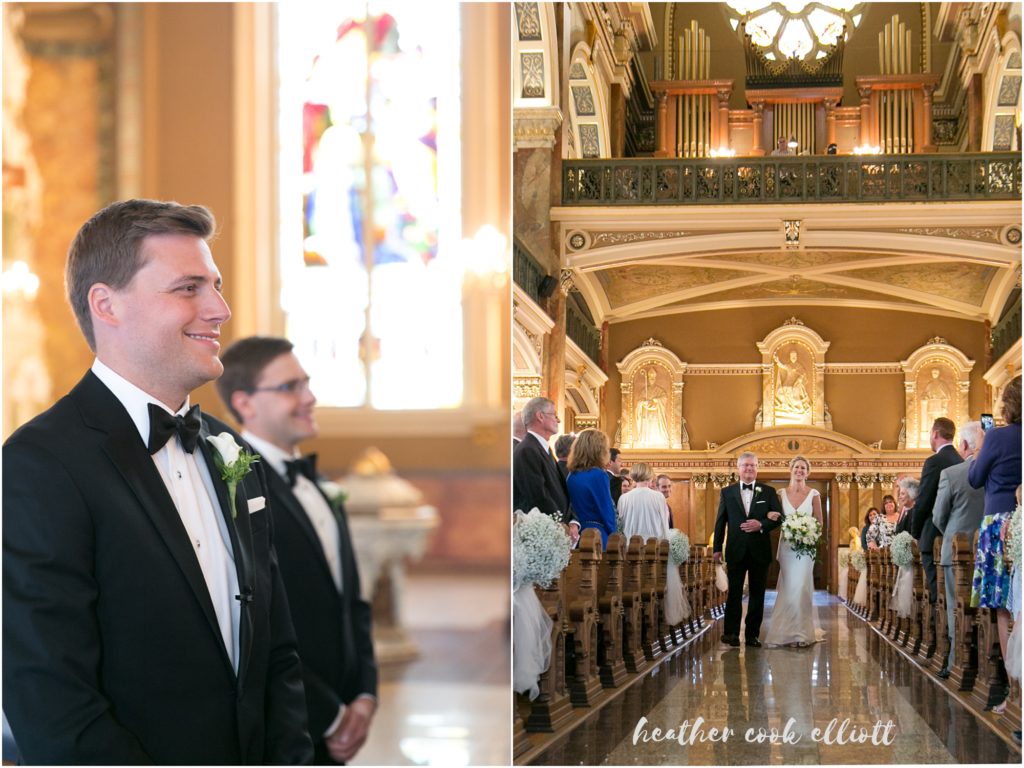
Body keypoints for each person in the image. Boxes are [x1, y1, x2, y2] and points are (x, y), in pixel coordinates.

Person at [2, 200, 313, 763]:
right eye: (188, 288)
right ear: (107, 304)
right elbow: (48, 693)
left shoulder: (231, 449)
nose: (220, 309)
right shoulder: (40, 463)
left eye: (215, 286)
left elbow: (277, 650)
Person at [217, 337, 377, 764]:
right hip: (285, 724)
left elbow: (352, 601)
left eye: (306, 383)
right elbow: (251, 626)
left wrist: (365, 693)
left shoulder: (318, 485)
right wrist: (330, 715)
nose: (310, 397)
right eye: (290, 387)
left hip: (344, 711)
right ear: (245, 403)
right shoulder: (232, 490)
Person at [968, 375, 1021, 710]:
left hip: (999, 522)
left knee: (1004, 606)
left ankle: (1014, 690)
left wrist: (982, 447)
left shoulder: (998, 436)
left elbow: (974, 478)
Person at [713, 451, 784, 647]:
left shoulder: (768, 492)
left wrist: (761, 525)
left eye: (752, 465)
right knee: (734, 593)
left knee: (757, 594)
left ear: (757, 468)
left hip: (759, 550)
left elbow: (780, 518)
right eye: (745, 465)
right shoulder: (727, 492)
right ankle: (731, 634)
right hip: (736, 549)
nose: (749, 468)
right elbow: (721, 522)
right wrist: (717, 548)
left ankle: (752, 634)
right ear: (739, 468)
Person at [932, 420, 986, 677]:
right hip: (988, 550)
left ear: (963, 445)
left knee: (957, 607)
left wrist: (953, 536)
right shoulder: (995, 472)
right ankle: (987, 663)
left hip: (956, 553)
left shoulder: (952, 475)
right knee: (988, 607)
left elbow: (938, 516)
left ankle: (957, 662)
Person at [765, 456, 825, 647]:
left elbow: (819, 522)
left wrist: (808, 533)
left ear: (807, 472)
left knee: (802, 588)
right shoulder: (781, 494)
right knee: (789, 588)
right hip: (787, 547)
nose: (799, 470)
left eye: (803, 468)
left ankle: (801, 634)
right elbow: (773, 516)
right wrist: (768, 514)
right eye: (796, 467)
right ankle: (786, 632)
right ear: (791, 470)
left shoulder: (814, 494)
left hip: (806, 549)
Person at [619, 462, 687, 625]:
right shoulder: (658, 497)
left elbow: (621, 525)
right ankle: (655, 620)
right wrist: (664, 545)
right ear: (650, 476)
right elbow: (664, 525)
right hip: (654, 549)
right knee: (653, 584)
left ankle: (634, 619)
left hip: (630, 549)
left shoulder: (624, 497)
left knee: (635, 584)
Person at [513, 397, 579, 544]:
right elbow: (537, 496)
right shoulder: (527, 450)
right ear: (540, 416)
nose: (558, 420)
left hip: (553, 531)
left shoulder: (543, 448)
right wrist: (561, 524)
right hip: (540, 536)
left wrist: (572, 521)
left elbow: (559, 491)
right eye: (554, 414)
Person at [913, 417, 963, 604]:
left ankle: (939, 631)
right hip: (959, 534)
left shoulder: (934, 461)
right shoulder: (961, 461)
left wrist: (916, 532)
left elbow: (923, 501)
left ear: (935, 433)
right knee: (954, 590)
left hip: (933, 536)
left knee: (936, 592)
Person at [565, 429, 617, 548]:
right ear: (600, 450)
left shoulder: (571, 475)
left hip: (578, 533)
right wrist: (614, 534)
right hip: (597, 534)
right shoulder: (599, 475)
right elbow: (606, 509)